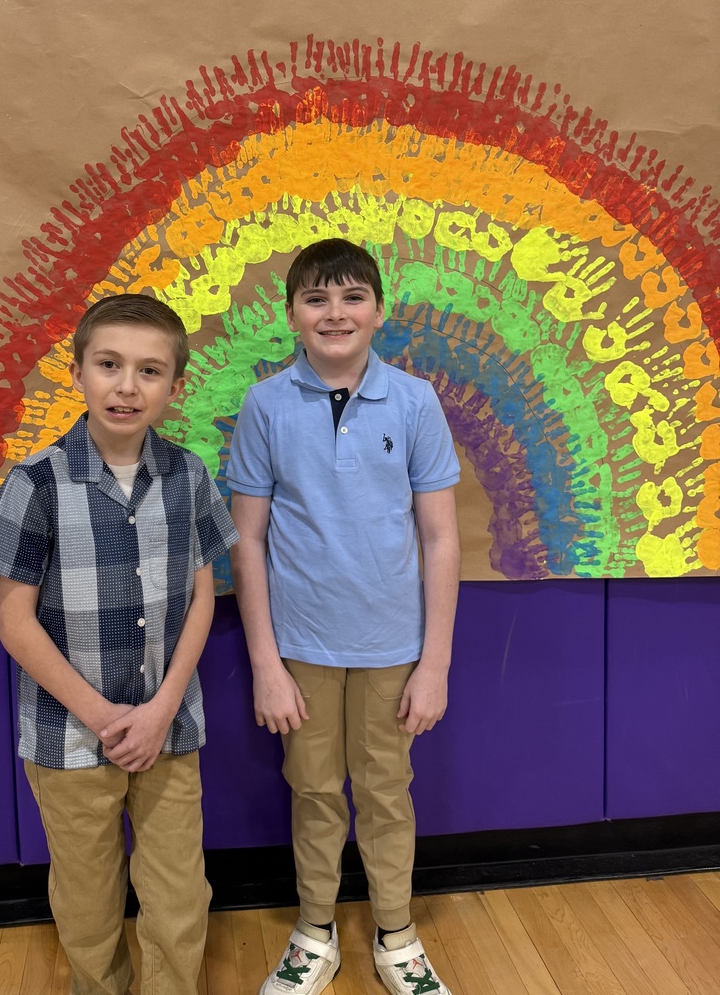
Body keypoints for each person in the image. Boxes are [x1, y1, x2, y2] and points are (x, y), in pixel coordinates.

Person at [0, 293, 238, 995]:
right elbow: (15, 622)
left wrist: (158, 711)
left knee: (180, 895)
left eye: (149, 371)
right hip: (70, 738)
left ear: (174, 387)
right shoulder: (34, 484)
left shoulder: (189, 477)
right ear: (79, 372)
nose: (127, 386)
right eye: (109, 365)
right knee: (88, 901)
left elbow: (202, 595)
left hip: (168, 731)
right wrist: (105, 718)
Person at [227, 238, 461, 995]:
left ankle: (396, 934)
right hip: (301, 646)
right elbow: (249, 540)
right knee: (315, 790)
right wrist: (266, 664)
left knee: (387, 789)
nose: (335, 313)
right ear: (291, 313)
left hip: (394, 643)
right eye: (316, 299)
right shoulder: (265, 405)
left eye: (352, 296)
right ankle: (315, 930)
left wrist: (434, 664)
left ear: (379, 310)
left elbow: (439, 537)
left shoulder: (414, 400)